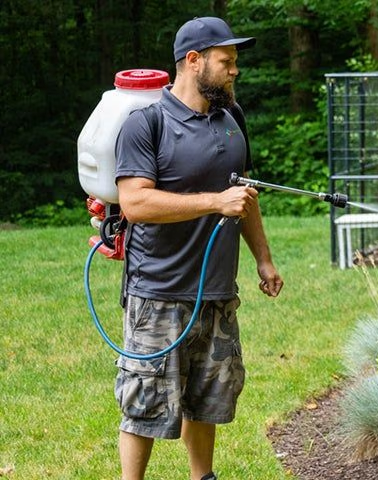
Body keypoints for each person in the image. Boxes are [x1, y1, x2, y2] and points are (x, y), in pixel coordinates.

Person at [113, 16, 284, 480]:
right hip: (158, 292)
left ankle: (202, 477)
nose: (234, 71)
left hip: (217, 291)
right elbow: (135, 202)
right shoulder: (146, 123)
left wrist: (263, 259)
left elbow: (244, 196)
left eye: (235, 63)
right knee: (144, 400)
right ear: (193, 61)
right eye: (226, 62)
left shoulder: (232, 119)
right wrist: (215, 201)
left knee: (208, 397)